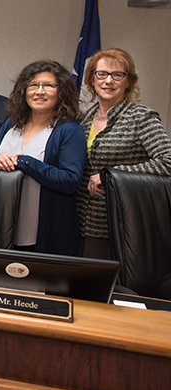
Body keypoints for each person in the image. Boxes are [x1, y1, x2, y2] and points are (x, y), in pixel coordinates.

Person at [76, 48, 171, 259]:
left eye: (117, 75)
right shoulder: (84, 119)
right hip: (81, 224)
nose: (108, 81)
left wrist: (110, 175)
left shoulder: (140, 117)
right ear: (92, 79)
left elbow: (168, 162)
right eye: (101, 74)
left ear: (128, 82)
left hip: (119, 226)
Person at [0, 60, 86, 256]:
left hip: (46, 231)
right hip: (3, 222)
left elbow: (70, 180)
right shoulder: (12, 123)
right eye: (33, 85)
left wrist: (25, 163)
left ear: (61, 91)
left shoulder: (70, 130)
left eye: (48, 85)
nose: (40, 91)